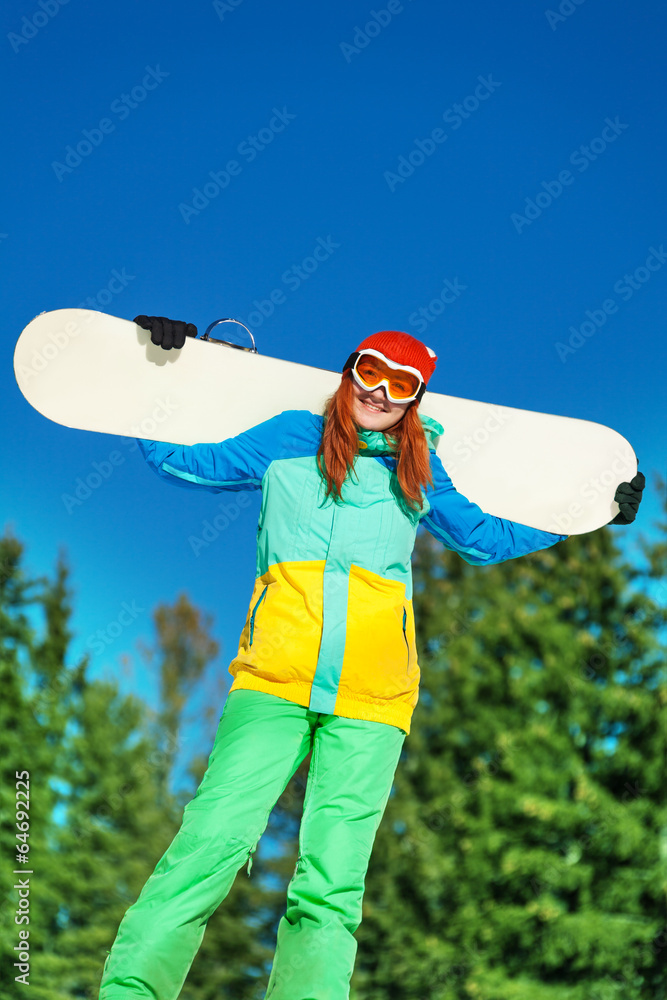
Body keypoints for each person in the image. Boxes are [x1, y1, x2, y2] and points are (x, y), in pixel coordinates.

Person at [98, 318, 645, 1000]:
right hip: (272, 680)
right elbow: (184, 461)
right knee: (210, 842)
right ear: (350, 371)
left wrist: (587, 512)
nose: (381, 393)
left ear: (415, 398)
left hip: (374, 699)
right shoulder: (288, 440)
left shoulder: (418, 471)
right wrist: (159, 377)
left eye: (402, 384)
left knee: (330, 883)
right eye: (372, 373)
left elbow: (481, 537)